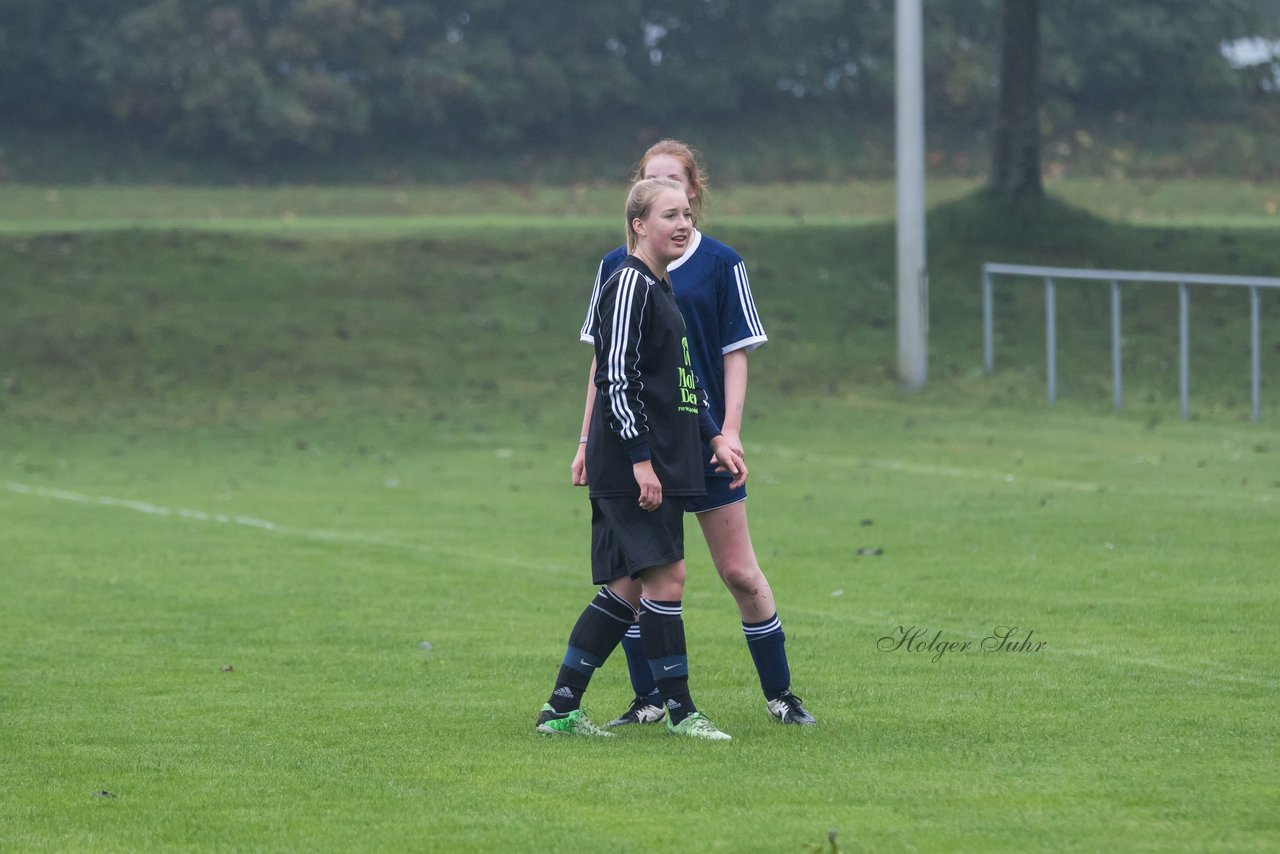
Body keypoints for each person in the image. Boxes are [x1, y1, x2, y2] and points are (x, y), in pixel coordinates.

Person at [572, 140, 815, 726]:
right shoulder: (618, 269)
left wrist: (726, 432)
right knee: (641, 576)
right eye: (652, 183)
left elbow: (733, 353)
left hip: (700, 441)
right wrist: (585, 441)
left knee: (738, 571)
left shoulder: (721, 263)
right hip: (640, 448)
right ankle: (651, 700)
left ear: (693, 193)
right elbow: (606, 368)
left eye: (676, 188)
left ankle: (780, 696)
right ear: (639, 207)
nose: (668, 198)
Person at [536, 177, 747, 740]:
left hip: (657, 459)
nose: (683, 225)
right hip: (633, 464)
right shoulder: (628, 283)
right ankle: (682, 713)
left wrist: (713, 437)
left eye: (687, 215)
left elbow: (682, 378)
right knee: (668, 578)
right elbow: (616, 377)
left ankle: (560, 710)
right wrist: (640, 461)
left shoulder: (660, 285)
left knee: (628, 589)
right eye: (670, 216)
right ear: (638, 225)